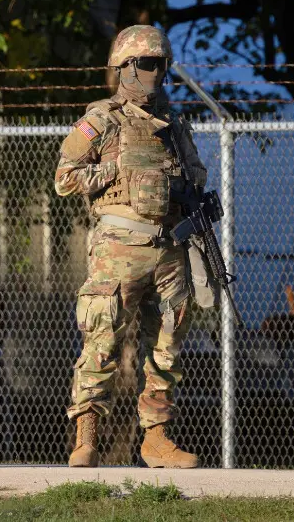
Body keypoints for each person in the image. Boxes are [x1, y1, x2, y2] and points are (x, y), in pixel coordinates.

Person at [54, 25, 208, 468]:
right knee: (101, 340)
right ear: (124, 68)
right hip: (118, 248)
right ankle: (86, 438)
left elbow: (196, 174)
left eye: (160, 64)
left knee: (166, 347)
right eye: (146, 64)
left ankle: (156, 440)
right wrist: (114, 172)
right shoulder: (102, 119)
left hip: (169, 248)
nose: (155, 73)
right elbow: (65, 178)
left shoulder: (173, 123)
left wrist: (182, 188)